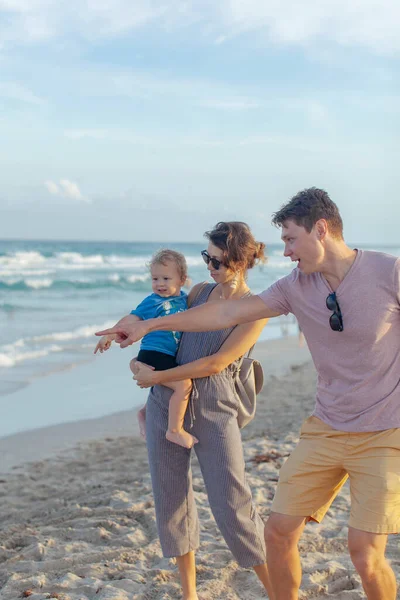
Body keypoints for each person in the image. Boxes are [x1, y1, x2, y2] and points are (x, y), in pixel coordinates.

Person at [98, 189, 400, 600]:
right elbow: (223, 313)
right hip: (325, 428)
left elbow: (218, 358)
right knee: (277, 534)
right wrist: (146, 328)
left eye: (291, 240)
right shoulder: (294, 286)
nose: (287, 251)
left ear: (321, 229)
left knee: (364, 555)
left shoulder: (389, 272)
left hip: (385, 432)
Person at [99, 222, 273, 600]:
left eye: (218, 260)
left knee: (233, 506)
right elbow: (166, 335)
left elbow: (216, 363)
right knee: (171, 499)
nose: (210, 266)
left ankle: (279, 591)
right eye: (206, 257)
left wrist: (160, 377)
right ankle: (189, 594)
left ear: (241, 262)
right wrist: (132, 347)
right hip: (166, 400)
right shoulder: (198, 291)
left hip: (215, 408)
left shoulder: (253, 310)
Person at [95, 249, 196, 449]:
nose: (159, 284)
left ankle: (144, 413)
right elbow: (132, 319)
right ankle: (174, 430)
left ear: (182, 279)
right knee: (183, 385)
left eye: (166, 278)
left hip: (167, 354)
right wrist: (111, 334)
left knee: (162, 387)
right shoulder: (152, 301)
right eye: (155, 278)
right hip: (155, 353)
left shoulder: (184, 300)